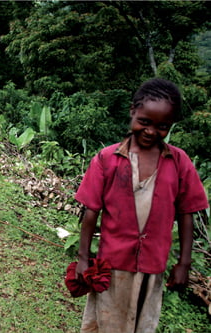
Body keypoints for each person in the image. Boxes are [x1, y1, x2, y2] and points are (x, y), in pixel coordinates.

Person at [74, 78, 208, 333]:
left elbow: (186, 214)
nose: (151, 131)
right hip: (112, 266)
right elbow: (91, 211)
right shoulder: (107, 159)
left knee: (143, 323)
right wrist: (83, 258)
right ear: (132, 111)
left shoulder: (179, 163)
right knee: (106, 322)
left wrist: (184, 264)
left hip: (152, 267)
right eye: (144, 122)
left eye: (162, 126)